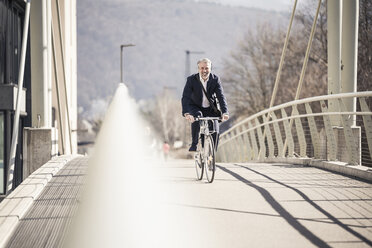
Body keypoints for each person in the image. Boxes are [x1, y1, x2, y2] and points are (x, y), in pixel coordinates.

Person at [181, 58, 229, 152]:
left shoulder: (215, 79)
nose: (204, 70)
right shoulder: (191, 80)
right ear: (198, 68)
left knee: (215, 130)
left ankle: (212, 154)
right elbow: (185, 97)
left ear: (210, 68)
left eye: (207, 68)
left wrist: (225, 112)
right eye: (202, 68)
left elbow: (221, 96)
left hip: (211, 109)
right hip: (195, 107)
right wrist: (186, 113)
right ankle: (194, 143)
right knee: (197, 117)